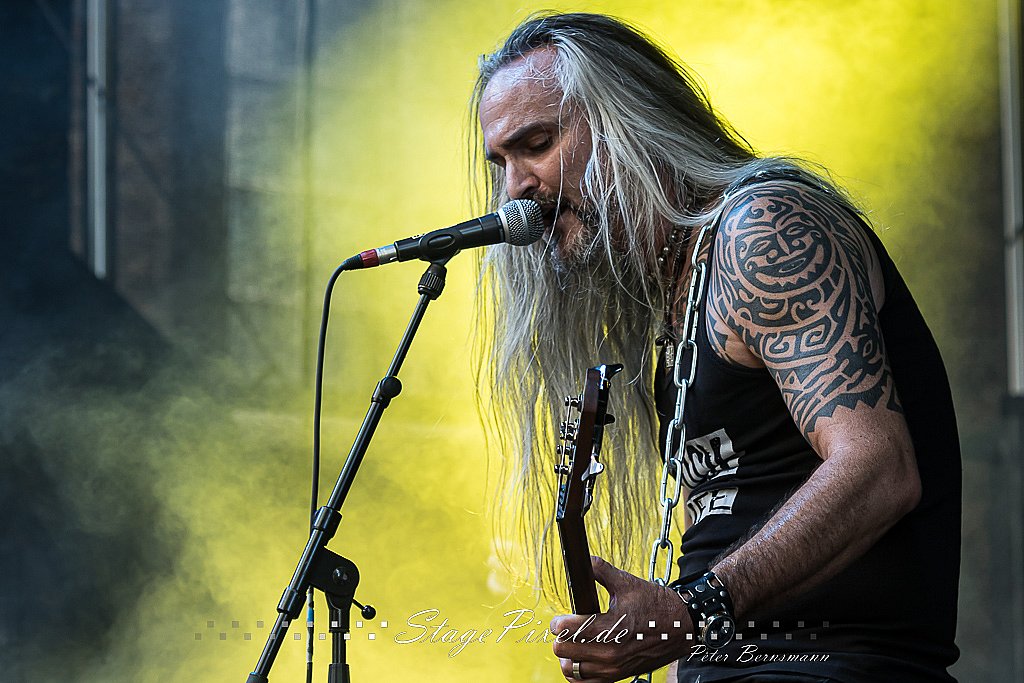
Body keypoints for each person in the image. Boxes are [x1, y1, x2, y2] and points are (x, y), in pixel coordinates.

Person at [471, 12, 961, 683]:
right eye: (501, 163)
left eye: (536, 143)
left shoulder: (764, 229)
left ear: (633, 121)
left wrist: (691, 610)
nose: (515, 189)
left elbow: (879, 468)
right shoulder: (678, 290)